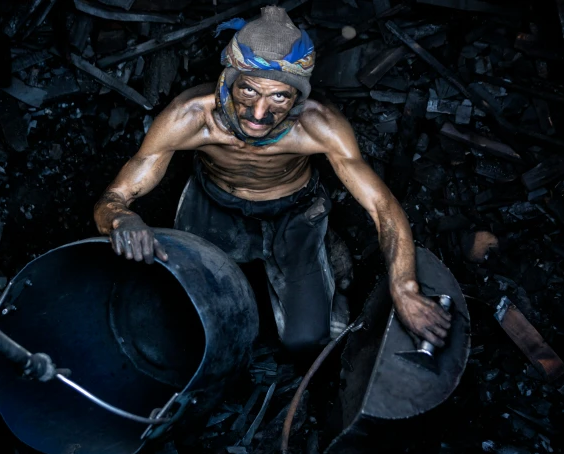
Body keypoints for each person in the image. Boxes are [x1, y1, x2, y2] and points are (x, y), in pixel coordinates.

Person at [93, 6, 451, 355]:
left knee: (307, 341)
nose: (260, 113)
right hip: (213, 205)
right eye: (248, 90)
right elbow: (115, 196)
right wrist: (121, 218)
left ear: (298, 96)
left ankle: (325, 261)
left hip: (292, 212)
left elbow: (382, 206)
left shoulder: (318, 126)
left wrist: (405, 288)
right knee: (183, 320)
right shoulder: (191, 118)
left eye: (279, 95)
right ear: (230, 79)